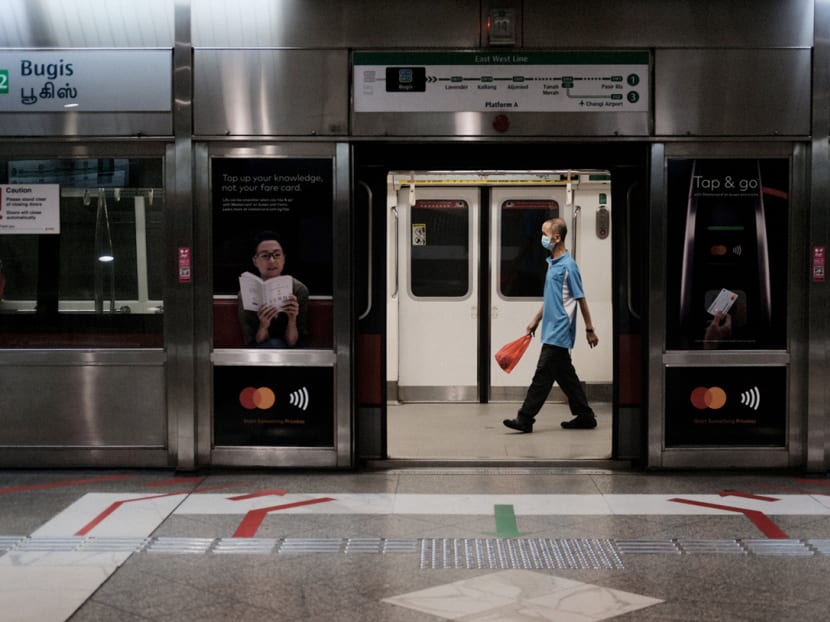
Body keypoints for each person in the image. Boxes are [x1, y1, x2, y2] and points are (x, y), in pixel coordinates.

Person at [503, 218, 599, 433]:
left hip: (560, 330)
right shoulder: (552, 264)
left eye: (545, 234)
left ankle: (525, 418)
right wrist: (536, 319)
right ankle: (585, 415)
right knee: (565, 374)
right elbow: (551, 299)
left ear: (556, 238)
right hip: (549, 329)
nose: (542, 238)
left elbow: (581, 298)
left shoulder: (568, 267)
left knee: (542, 376)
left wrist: (589, 329)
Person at [238, 231, 309, 348]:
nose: (271, 261)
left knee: (279, 345)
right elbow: (253, 342)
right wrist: (263, 325)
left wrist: (292, 319)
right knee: (274, 344)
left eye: (276, 255)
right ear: (255, 260)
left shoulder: (298, 290)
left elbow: (294, 342)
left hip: (291, 351)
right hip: (260, 352)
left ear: (284, 258)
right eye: (265, 256)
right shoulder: (245, 293)